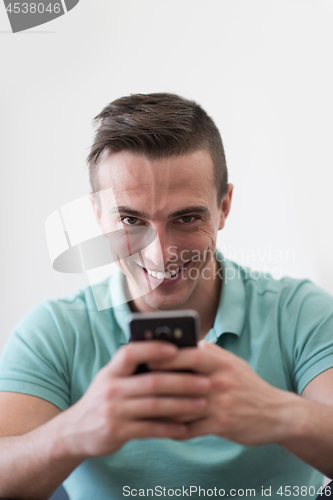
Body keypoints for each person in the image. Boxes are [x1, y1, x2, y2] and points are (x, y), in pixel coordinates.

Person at [0, 93, 333, 500]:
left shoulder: (300, 312)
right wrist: (73, 432)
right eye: (130, 219)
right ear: (97, 216)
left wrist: (279, 415)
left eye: (187, 217)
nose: (161, 254)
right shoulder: (54, 331)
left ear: (224, 206)